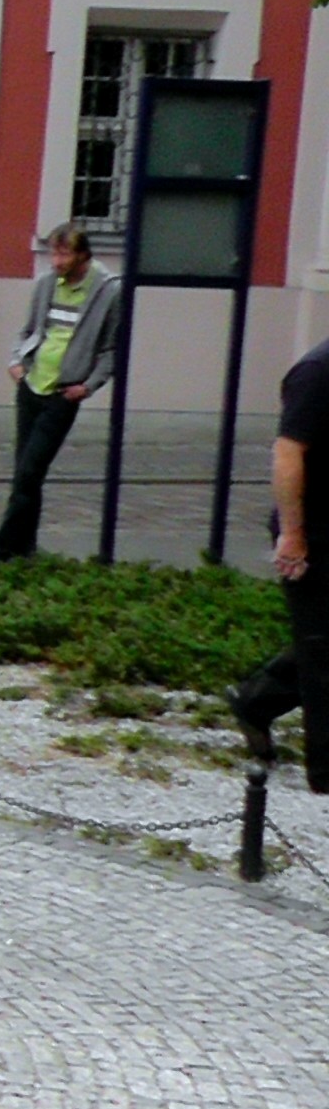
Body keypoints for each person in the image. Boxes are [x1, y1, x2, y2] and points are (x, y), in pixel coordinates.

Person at [228, 333, 329, 793]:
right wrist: (292, 534)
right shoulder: (317, 372)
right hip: (313, 529)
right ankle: (325, 772)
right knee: (322, 649)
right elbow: (288, 452)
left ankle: (255, 702)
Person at [0, 222, 123, 561]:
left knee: (30, 470)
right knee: (25, 473)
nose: (57, 260)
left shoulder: (108, 291)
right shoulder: (47, 284)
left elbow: (111, 349)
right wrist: (17, 361)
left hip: (63, 394)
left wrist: (88, 386)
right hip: (31, 385)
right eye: (53, 252)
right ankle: (25, 548)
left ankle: (2, 548)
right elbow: (30, 329)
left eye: (64, 253)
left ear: (82, 255)